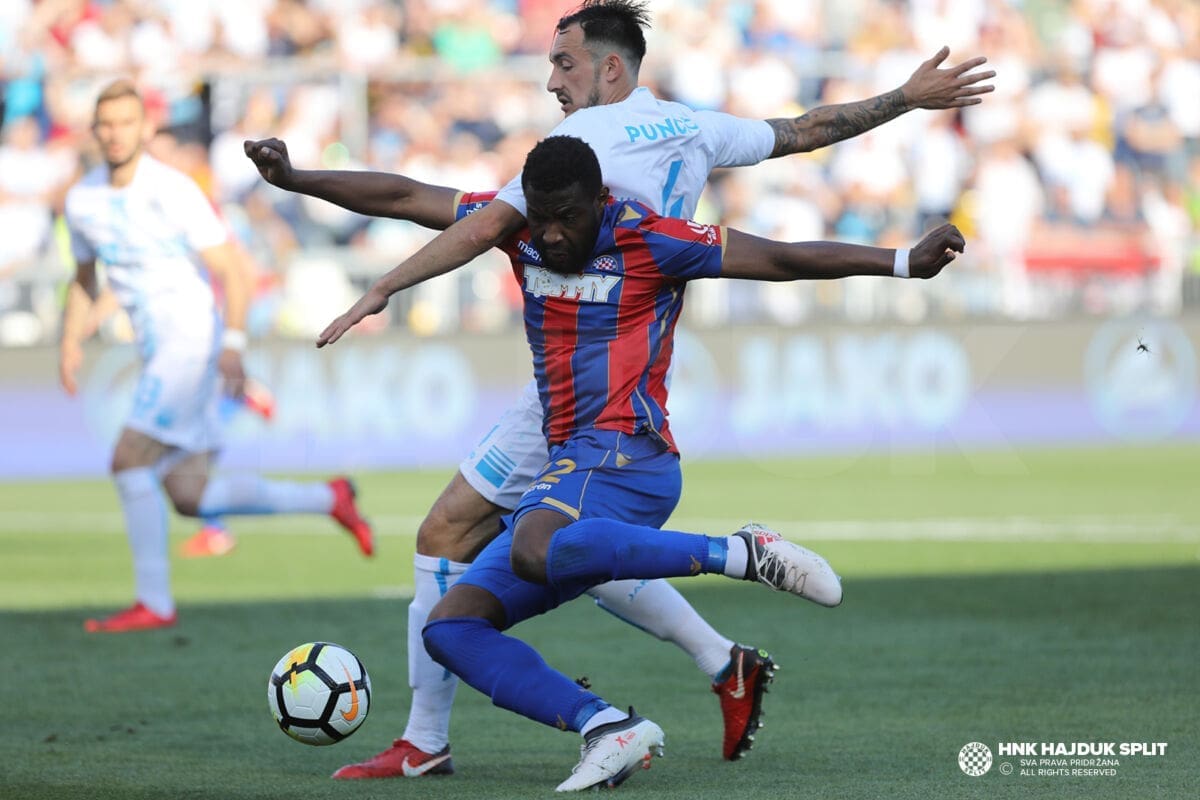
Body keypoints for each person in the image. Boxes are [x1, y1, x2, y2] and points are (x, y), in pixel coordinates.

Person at [256, 0, 993, 776]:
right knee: (487, 545)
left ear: (610, 68)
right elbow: (805, 130)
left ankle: (439, 735)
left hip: (607, 394)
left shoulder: (581, 150)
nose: (552, 81)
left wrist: (379, 283)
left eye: (563, 63)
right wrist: (903, 101)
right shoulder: (697, 127)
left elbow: (458, 218)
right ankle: (702, 666)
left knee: (535, 543)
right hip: (592, 372)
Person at [59, 79, 376, 634]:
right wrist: (69, 339)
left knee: (129, 460)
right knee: (189, 494)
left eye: (126, 122)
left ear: (145, 127)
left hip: (189, 342)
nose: (115, 134)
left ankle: (154, 603)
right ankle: (329, 498)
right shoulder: (82, 200)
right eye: (106, 124)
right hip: (158, 348)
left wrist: (232, 345)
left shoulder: (172, 190)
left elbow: (234, 270)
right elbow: (85, 277)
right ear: (94, 130)